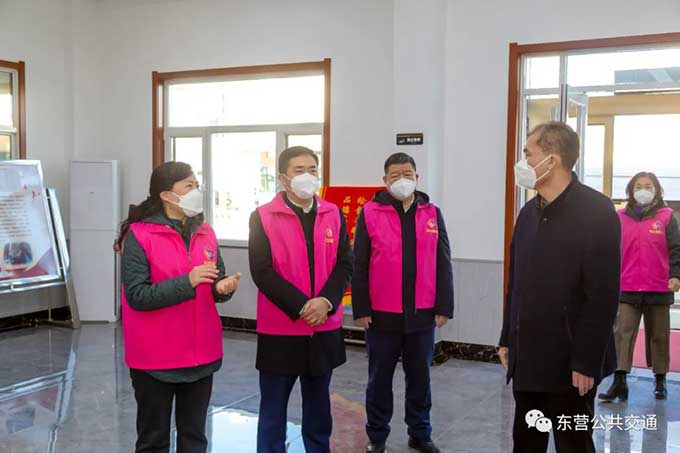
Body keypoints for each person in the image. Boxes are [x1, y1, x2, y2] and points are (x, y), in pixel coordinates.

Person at [498, 122, 620, 453]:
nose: (522, 162)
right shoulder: (528, 212)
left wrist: (586, 362)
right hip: (529, 359)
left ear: (551, 160)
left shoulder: (597, 211)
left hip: (571, 363)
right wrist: (508, 337)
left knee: (573, 443)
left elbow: (603, 296)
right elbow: (516, 282)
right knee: (526, 441)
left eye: (528, 153)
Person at [117, 161, 241, 453]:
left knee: (195, 439)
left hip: (201, 355)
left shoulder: (205, 231)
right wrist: (188, 282)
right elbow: (137, 295)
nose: (196, 191)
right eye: (188, 186)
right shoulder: (139, 235)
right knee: (153, 441)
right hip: (155, 358)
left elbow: (214, 278)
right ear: (166, 195)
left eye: (197, 185)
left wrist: (221, 288)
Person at [248, 146, 353, 453]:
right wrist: (302, 306)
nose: (307, 175)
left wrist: (325, 302)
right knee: (273, 410)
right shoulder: (263, 216)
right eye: (299, 170)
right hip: (281, 328)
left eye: (312, 169)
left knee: (319, 409)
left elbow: (345, 263)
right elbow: (262, 270)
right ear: (283, 178)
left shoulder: (333, 213)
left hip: (323, 327)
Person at [352, 152, 454, 453]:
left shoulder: (431, 212)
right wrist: (361, 308)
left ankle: (420, 432)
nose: (402, 179)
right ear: (385, 180)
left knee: (420, 378)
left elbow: (443, 260)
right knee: (379, 379)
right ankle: (377, 435)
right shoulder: (370, 212)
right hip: (381, 315)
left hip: (422, 313)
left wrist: (444, 306)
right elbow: (359, 263)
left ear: (417, 177)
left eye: (407, 174)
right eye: (395, 175)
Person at [599, 172, 680, 402]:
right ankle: (619, 382)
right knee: (622, 334)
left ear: (656, 190)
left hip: (659, 286)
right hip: (627, 286)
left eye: (648, 186)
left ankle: (660, 380)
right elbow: (609, 250)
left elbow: (676, 249)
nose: (643, 190)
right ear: (631, 191)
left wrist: (676, 275)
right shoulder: (619, 217)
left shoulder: (666, 217)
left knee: (659, 335)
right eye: (638, 186)